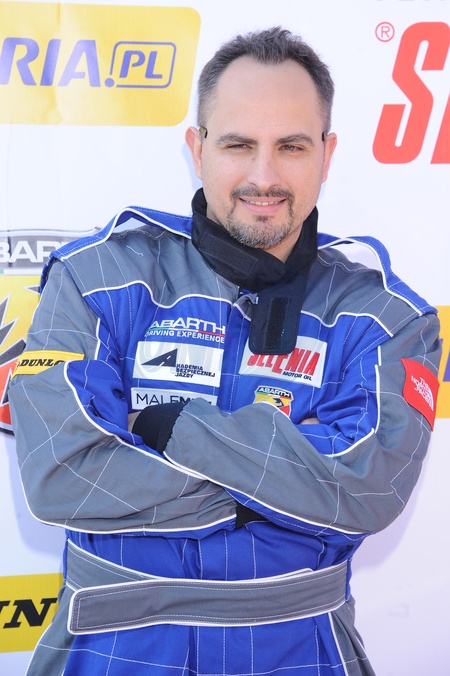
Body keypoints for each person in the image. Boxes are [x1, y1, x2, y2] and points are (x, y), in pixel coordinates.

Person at [9, 26, 441, 676]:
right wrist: (285, 485)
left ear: (326, 155)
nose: (263, 176)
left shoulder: (388, 317)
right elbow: (61, 475)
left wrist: (167, 429)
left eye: (291, 146)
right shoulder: (94, 277)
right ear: (198, 148)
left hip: (302, 646)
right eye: (239, 144)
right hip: (115, 645)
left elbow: (367, 489)